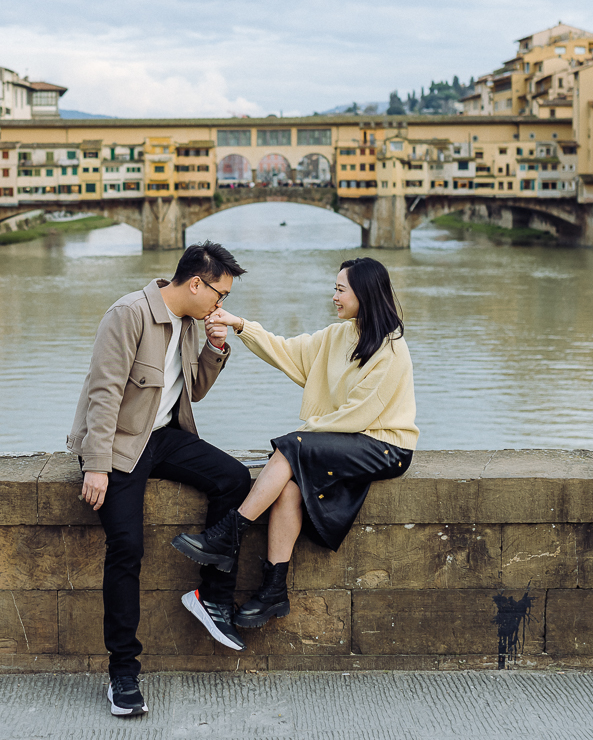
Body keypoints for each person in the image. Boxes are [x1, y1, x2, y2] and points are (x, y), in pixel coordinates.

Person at [171, 257, 417, 629]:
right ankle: (273, 592)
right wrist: (239, 325)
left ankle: (229, 534)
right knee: (287, 489)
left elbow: (356, 417)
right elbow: (286, 351)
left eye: (340, 289)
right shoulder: (339, 335)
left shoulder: (391, 349)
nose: (333, 296)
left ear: (363, 294)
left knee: (292, 446)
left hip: (386, 448)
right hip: (349, 442)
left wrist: (300, 439)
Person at [67, 241, 252, 718]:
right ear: (196, 283)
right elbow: (104, 392)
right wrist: (96, 465)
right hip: (121, 444)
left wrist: (215, 347)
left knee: (234, 479)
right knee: (127, 547)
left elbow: (194, 391)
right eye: (220, 294)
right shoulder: (128, 314)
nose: (221, 305)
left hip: (165, 435)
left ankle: (210, 596)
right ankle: (123, 675)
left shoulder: (191, 324)